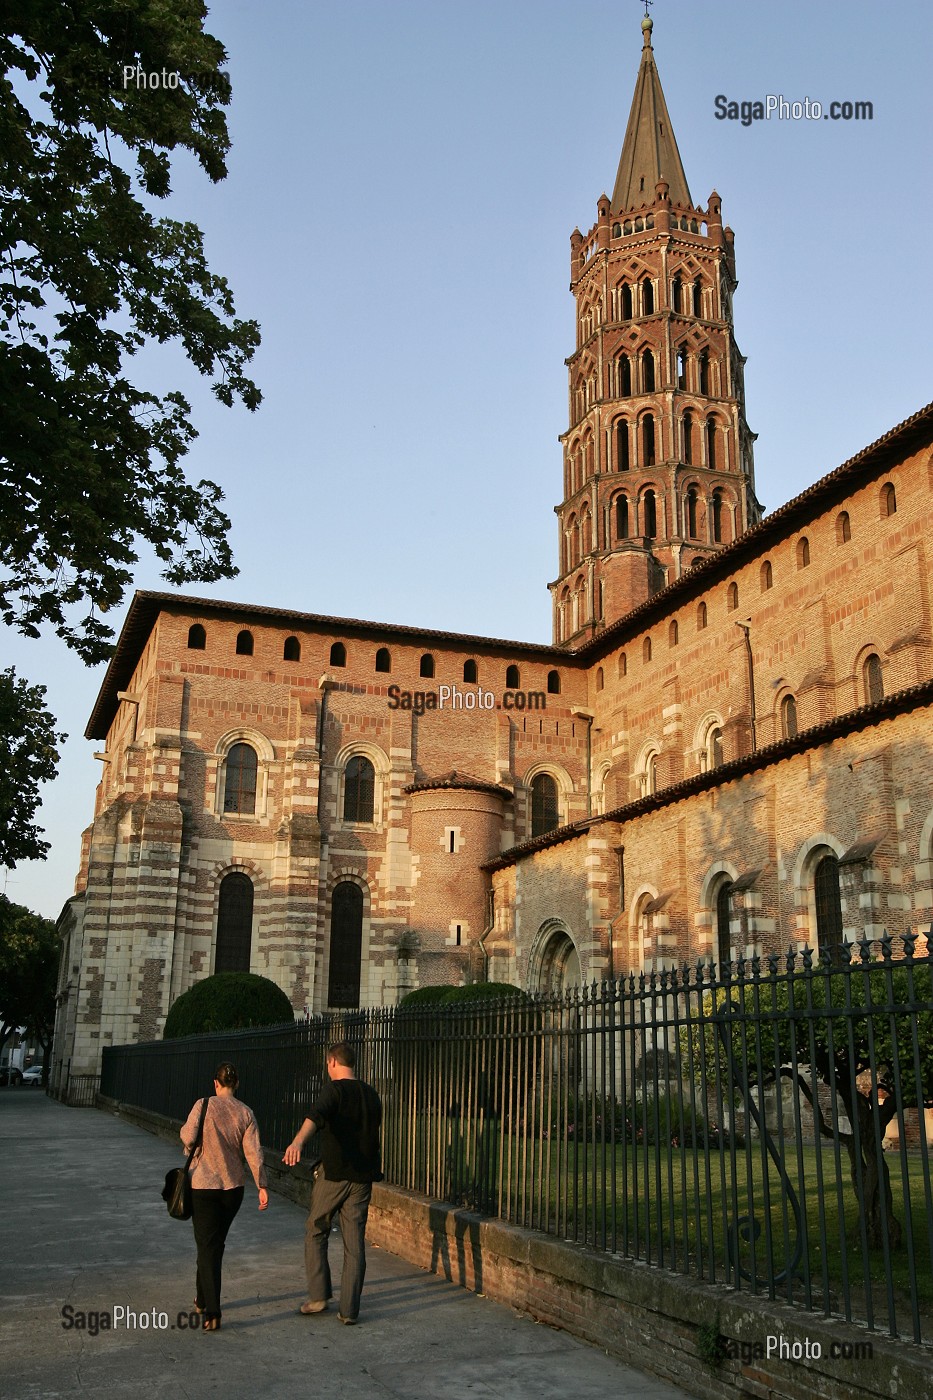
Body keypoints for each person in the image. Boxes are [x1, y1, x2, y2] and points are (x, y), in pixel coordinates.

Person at [283, 1041, 382, 1324]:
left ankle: (318, 1297)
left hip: (335, 1174)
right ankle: (349, 1310)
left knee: (315, 1228)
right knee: (355, 1244)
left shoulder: (333, 1090)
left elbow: (316, 1115)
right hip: (363, 1177)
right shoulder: (372, 1094)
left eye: (328, 1064)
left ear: (333, 1063)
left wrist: (298, 1141)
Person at [180, 1061, 269, 1331]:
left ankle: (212, 1311)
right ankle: (201, 1297)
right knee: (212, 1245)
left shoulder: (203, 1105)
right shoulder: (245, 1113)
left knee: (208, 1246)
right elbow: (254, 1152)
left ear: (215, 1083)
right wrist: (262, 1185)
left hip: (204, 1186)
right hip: (233, 1190)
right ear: (236, 1084)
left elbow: (187, 1136)